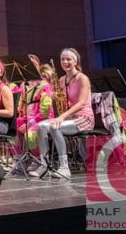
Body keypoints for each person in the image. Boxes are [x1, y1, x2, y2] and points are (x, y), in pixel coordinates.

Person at [30, 48, 94, 179]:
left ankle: (64, 167)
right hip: (68, 117)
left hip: (84, 117)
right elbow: (63, 100)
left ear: (75, 61)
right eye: (62, 59)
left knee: (55, 126)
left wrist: (61, 117)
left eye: (68, 59)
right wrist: (55, 97)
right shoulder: (62, 79)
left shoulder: (82, 78)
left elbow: (81, 103)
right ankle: (44, 165)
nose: (65, 62)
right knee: (41, 126)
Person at [16, 63, 55, 173]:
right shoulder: (24, 85)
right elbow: (21, 103)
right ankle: (20, 159)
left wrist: (30, 123)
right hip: (28, 117)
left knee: (30, 134)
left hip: (43, 118)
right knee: (13, 128)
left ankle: (38, 160)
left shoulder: (44, 85)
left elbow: (45, 111)